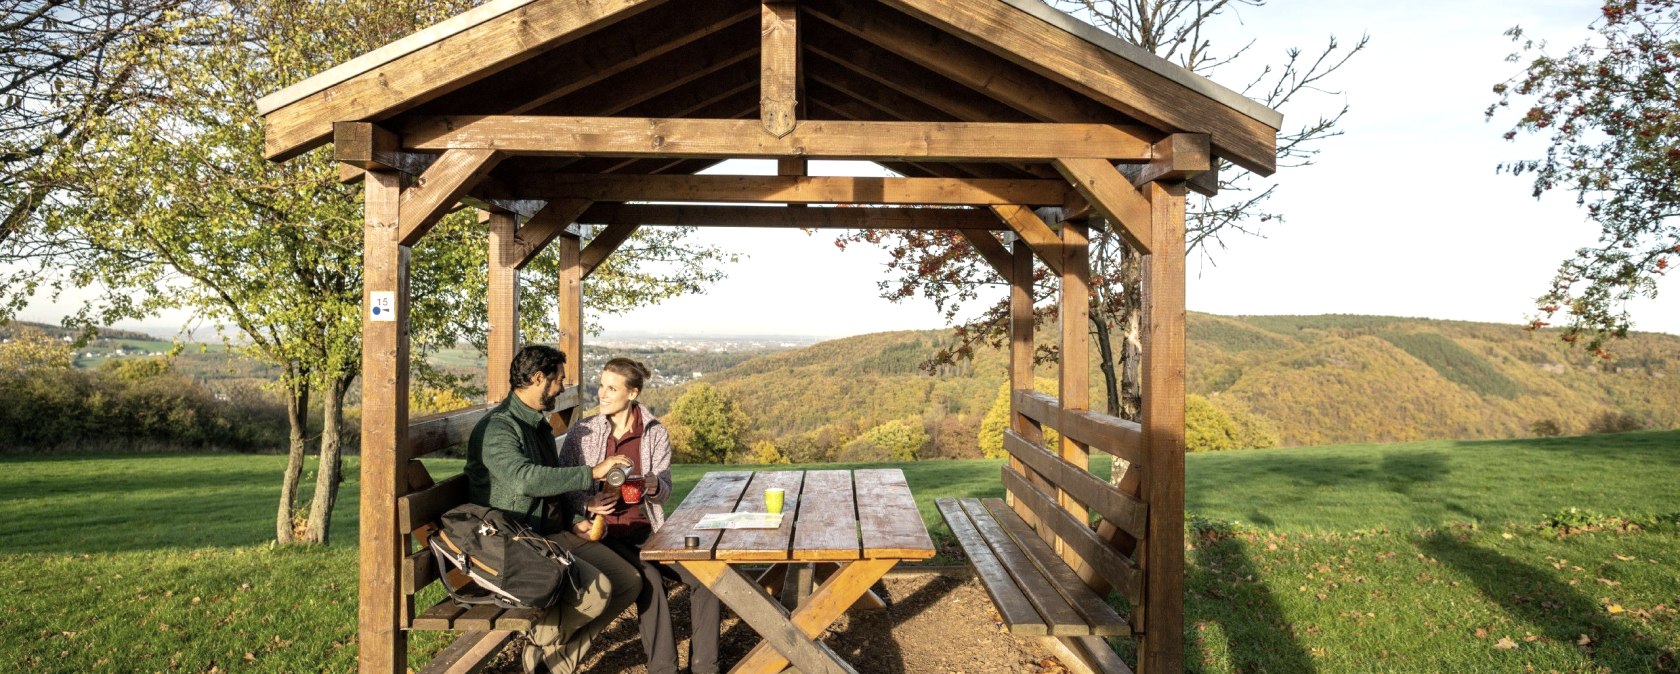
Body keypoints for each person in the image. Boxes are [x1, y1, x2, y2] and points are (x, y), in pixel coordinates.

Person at [464, 344, 640, 674]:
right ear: (538, 378)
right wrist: (593, 472)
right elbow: (524, 480)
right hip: (513, 544)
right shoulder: (498, 429)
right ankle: (541, 639)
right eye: (558, 379)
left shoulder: (538, 425)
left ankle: (550, 665)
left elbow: (549, 487)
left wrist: (574, 522)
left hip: (547, 536)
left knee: (628, 581)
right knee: (597, 591)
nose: (561, 387)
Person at [559, 357, 721, 674]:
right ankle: (664, 669)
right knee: (650, 581)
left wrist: (653, 484)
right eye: (602, 385)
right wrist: (587, 504)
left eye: (611, 388)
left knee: (707, 577)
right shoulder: (583, 432)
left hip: (650, 533)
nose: (601, 394)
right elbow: (565, 487)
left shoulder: (654, 432)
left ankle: (706, 666)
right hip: (602, 538)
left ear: (632, 393)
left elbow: (664, 491)